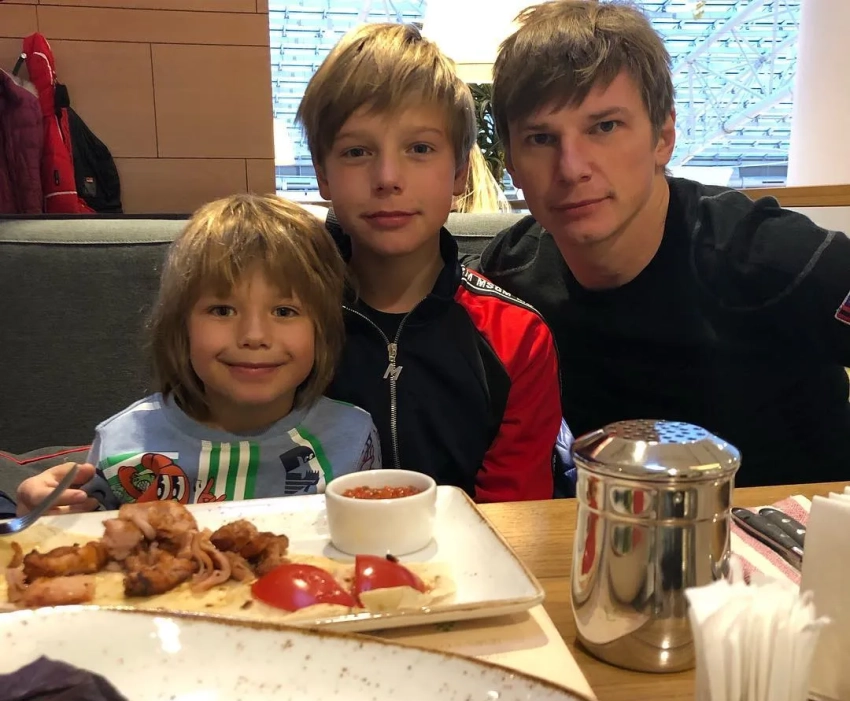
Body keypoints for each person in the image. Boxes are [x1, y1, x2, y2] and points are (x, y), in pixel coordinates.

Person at [473, 0, 850, 487]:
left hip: (794, 528)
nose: (571, 168)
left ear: (663, 137)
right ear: (511, 165)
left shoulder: (771, 257)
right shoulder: (509, 273)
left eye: (604, 127)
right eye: (541, 139)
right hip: (615, 524)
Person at [296, 23, 563, 501]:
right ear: (323, 174)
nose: (387, 177)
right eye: (356, 151)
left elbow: (514, 516)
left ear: (459, 172)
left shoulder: (515, 337)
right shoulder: (284, 320)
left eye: (419, 149)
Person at [16, 194, 379, 514]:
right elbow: (82, 540)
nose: (254, 336)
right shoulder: (123, 442)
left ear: (323, 330)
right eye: (222, 310)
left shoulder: (351, 436)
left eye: (284, 311)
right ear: (181, 326)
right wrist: (43, 518)